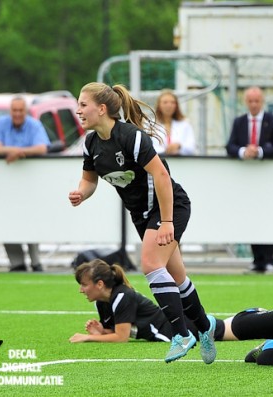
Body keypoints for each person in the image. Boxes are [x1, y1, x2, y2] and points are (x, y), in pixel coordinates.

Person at [68, 82, 217, 364]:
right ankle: (205, 328)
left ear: (102, 109)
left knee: (150, 264)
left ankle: (182, 334)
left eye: (83, 104)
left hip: (169, 205)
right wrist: (81, 194)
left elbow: (161, 177)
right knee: (177, 277)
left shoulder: (131, 137)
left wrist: (168, 222)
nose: (78, 110)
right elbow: (89, 181)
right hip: (142, 214)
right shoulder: (91, 143)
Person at [69, 259, 225, 343]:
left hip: (176, 328)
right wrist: (102, 332)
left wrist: (89, 337)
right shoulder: (101, 302)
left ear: (100, 284)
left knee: (228, 330)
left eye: (84, 285)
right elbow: (120, 332)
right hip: (170, 330)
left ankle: (250, 319)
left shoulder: (122, 296)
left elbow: (121, 338)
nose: (81, 290)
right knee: (227, 328)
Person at [225, 86, 273, 274]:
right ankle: (257, 261)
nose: (253, 104)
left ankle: (269, 260)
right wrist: (244, 151)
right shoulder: (239, 122)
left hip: (267, 179)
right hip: (247, 180)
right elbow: (230, 146)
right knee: (252, 216)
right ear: (246, 102)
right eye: (250, 101)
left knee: (268, 217)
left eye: (257, 101)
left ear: (262, 101)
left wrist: (259, 151)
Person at [0, 96, 50, 272]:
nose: (17, 114)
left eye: (20, 110)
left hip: (30, 186)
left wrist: (19, 152)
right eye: (14, 110)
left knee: (31, 219)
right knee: (8, 221)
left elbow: (42, 148)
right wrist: (17, 151)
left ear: (26, 111)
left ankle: (35, 261)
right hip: (5, 187)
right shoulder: (2, 122)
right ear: (10, 111)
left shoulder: (34, 125)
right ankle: (16, 263)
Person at [154, 89, 198, 155]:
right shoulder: (150, 125)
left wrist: (179, 146)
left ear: (176, 106)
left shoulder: (185, 124)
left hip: (180, 162)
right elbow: (147, 148)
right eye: (165, 102)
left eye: (173, 102)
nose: (169, 105)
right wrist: (165, 150)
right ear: (159, 105)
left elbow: (191, 147)